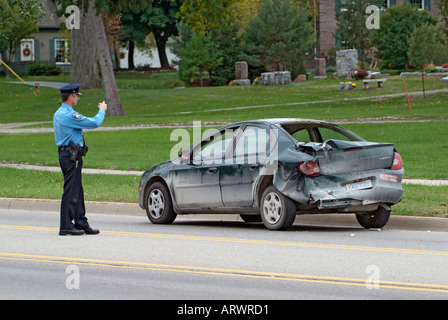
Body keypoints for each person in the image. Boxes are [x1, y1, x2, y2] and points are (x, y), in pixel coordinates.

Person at [53, 84, 107, 236]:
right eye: (76, 96)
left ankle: (80, 222)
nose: (77, 98)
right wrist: (102, 110)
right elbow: (94, 122)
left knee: (77, 189)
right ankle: (66, 225)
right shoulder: (69, 115)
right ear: (71, 97)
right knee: (71, 190)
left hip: (68, 155)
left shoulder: (59, 113)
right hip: (71, 156)